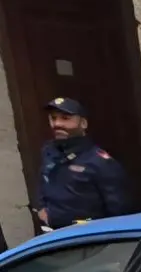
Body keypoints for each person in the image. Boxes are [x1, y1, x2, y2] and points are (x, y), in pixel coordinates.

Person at [36, 97, 130, 231]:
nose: (57, 123)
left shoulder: (99, 161)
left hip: (87, 236)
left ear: (83, 123)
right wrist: (41, 209)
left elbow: (119, 210)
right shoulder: (49, 151)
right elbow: (43, 182)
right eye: (53, 118)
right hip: (53, 234)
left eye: (65, 118)